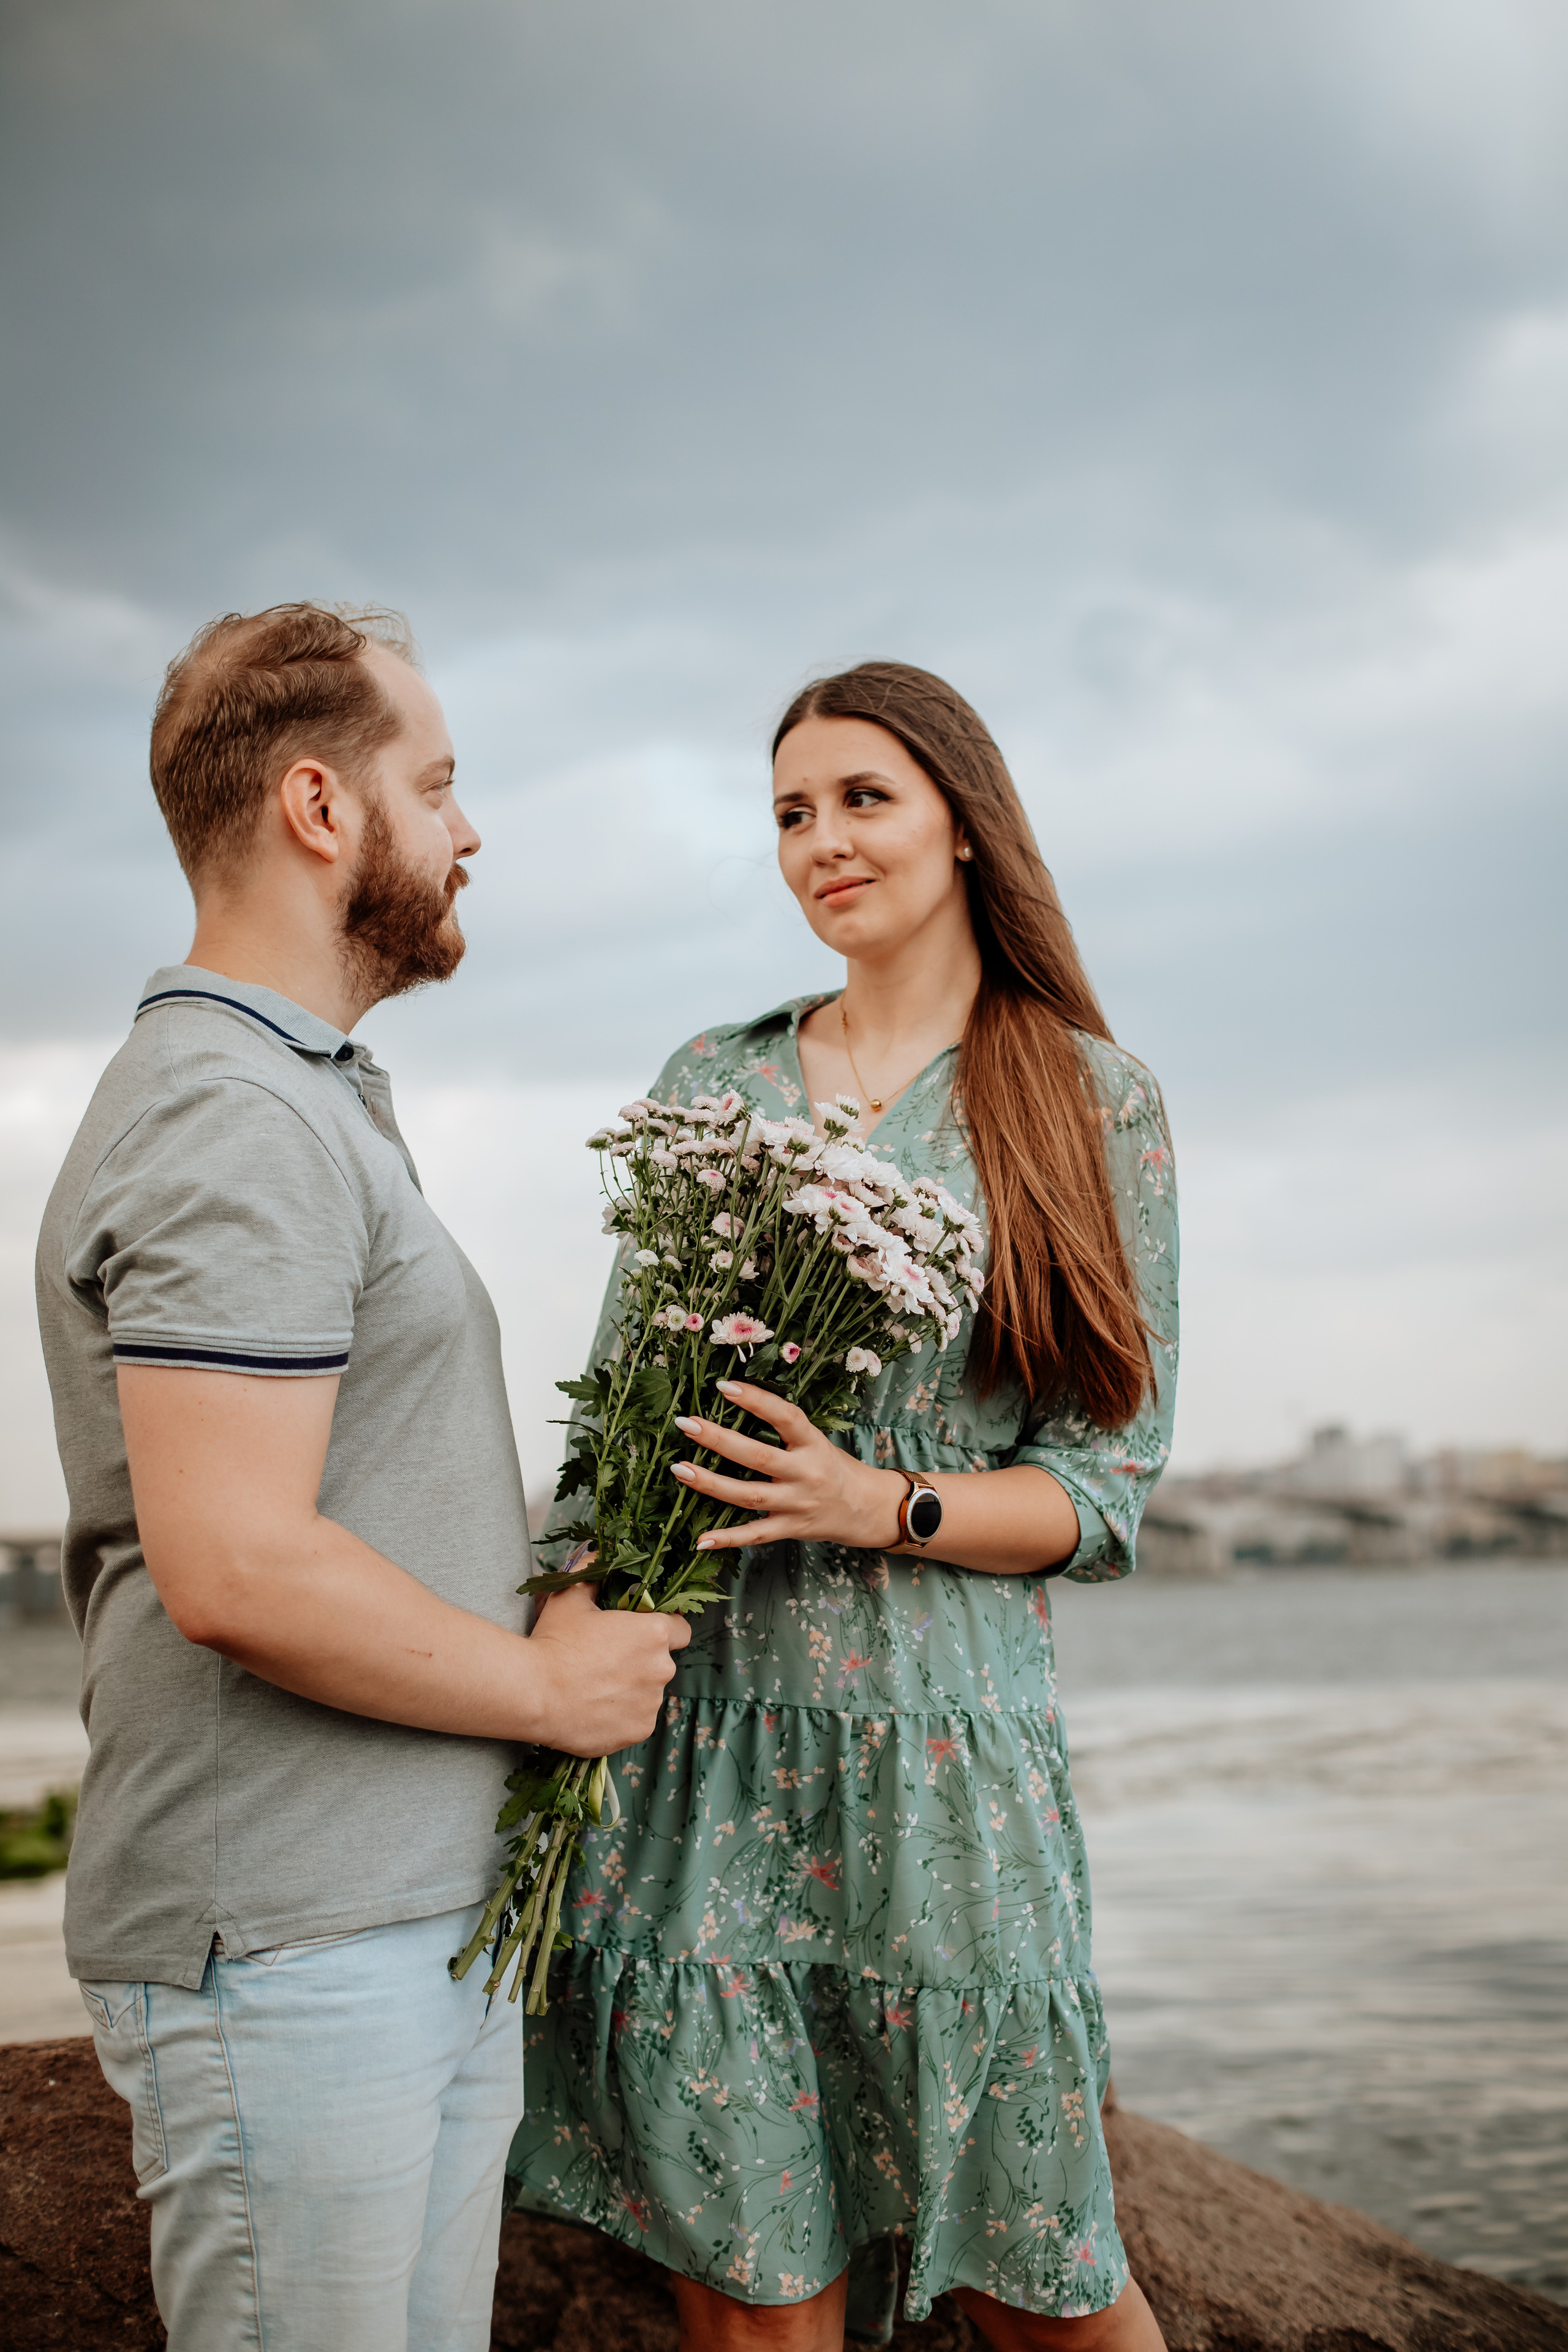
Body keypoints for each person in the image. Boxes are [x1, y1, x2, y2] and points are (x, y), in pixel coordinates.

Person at [34, 603, 689, 2352]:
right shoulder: (231, 1117)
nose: (471, 831)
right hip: (294, 1952)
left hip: (393, 1928)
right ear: (323, 808)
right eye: (443, 783)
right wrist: (551, 1689)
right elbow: (237, 1564)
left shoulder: (304, 1097)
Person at [508, 662, 1178, 2352]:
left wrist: (876, 1501)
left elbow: (1102, 1493)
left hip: (945, 1772)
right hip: (702, 1761)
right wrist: (550, 1665)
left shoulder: (1089, 1098)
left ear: (965, 819)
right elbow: (616, 1442)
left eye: (863, 798)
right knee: (754, 2302)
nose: (822, 843)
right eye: (791, 813)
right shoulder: (714, 1078)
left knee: (1051, 2298)